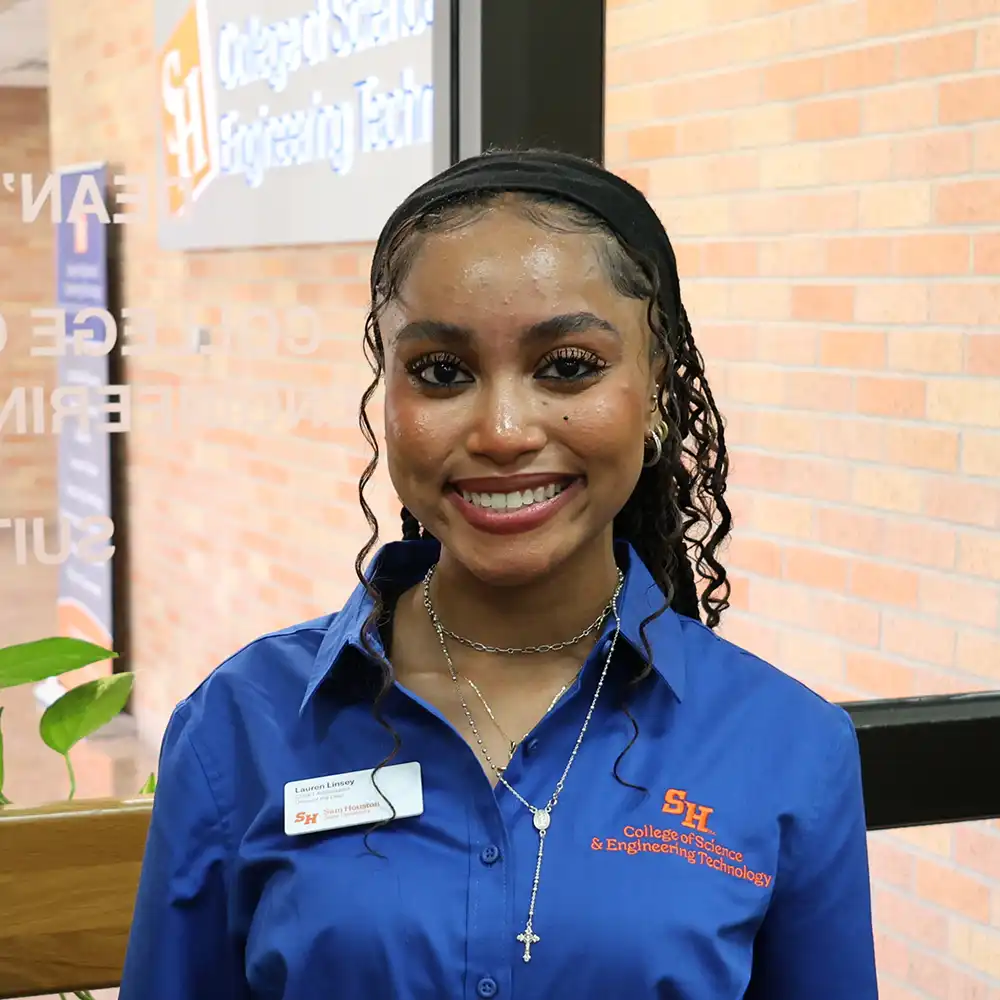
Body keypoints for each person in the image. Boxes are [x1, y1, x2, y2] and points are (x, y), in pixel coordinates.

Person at [119, 149, 878, 999]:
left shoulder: (789, 748)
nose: (504, 431)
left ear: (656, 390)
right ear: (388, 399)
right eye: (442, 373)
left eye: (569, 366)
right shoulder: (239, 727)